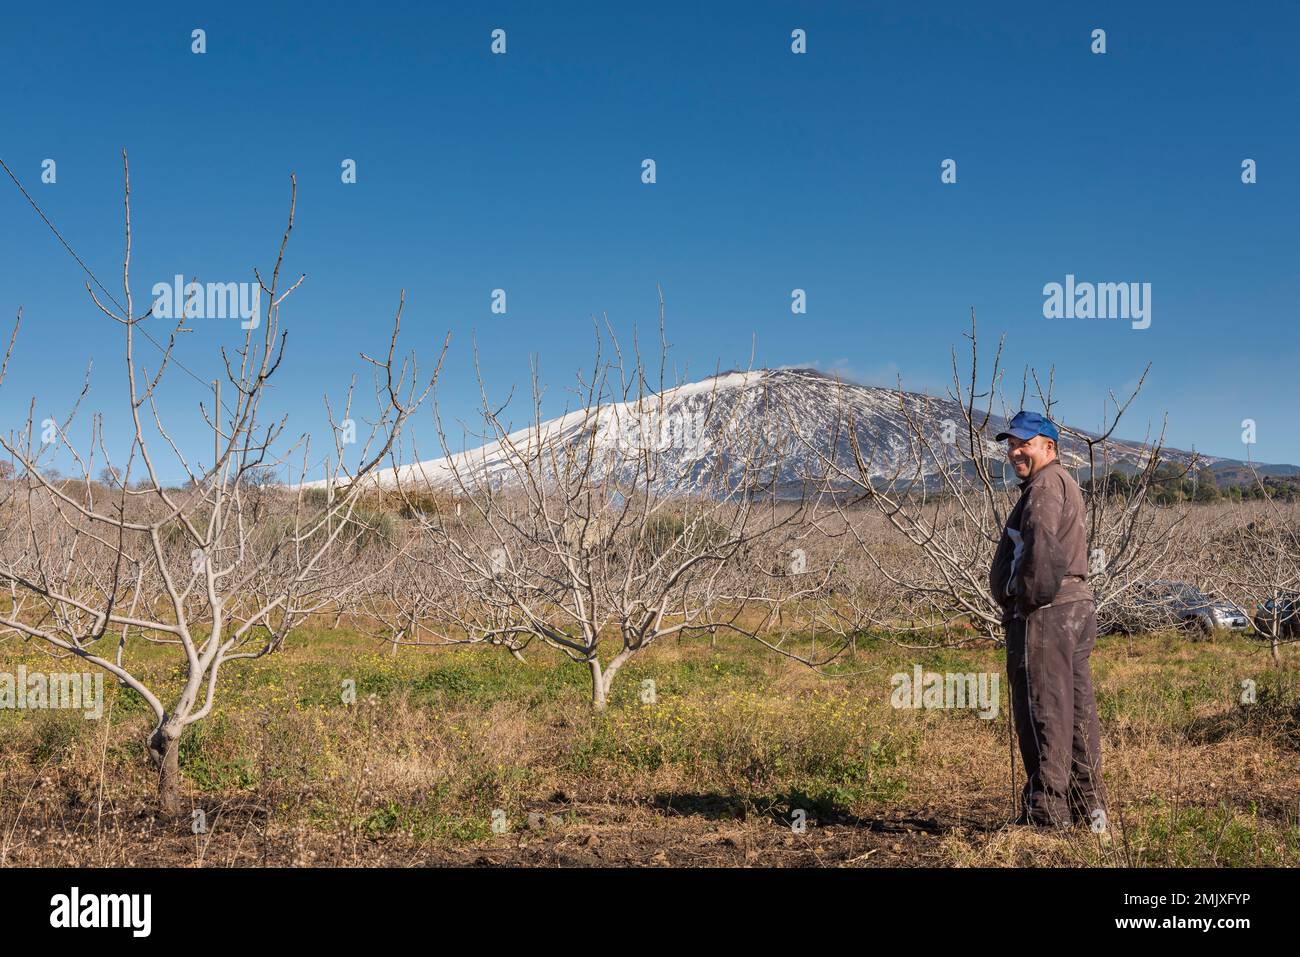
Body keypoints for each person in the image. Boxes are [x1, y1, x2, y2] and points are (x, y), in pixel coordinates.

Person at [988, 410, 1107, 831]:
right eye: (1011, 444)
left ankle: (1046, 817)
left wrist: (1025, 600)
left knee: (1042, 711)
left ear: (1049, 447)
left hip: (1047, 612)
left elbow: (1041, 541)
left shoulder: (1043, 485)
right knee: (1074, 713)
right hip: (1073, 607)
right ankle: (1088, 811)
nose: (1015, 451)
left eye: (1024, 443)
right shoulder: (1060, 483)